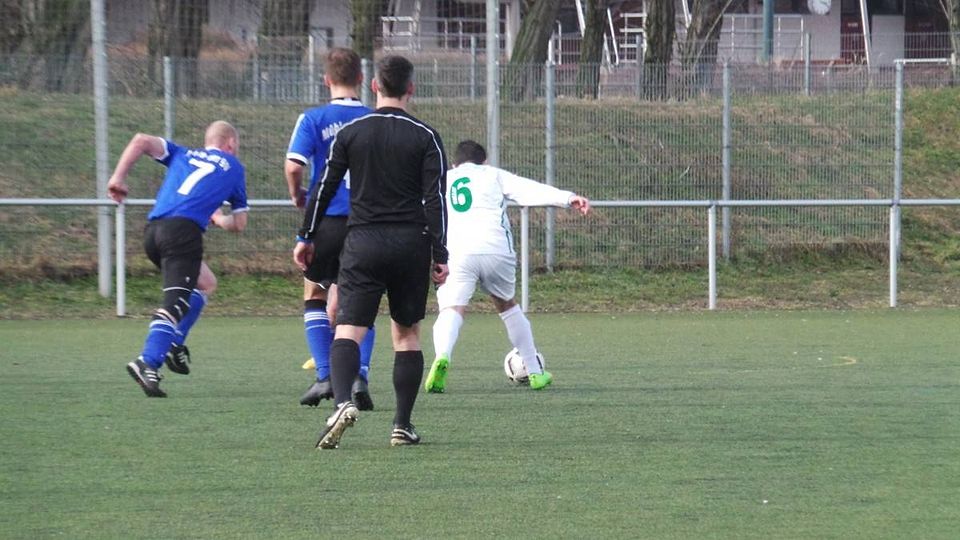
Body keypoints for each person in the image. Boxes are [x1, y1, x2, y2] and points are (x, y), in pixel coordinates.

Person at [293, 55, 448, 449]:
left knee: (347, 329)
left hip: (362, 242)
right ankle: (401, 425)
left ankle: (342, 403)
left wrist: (306, 236)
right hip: (410, 244)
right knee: (406, 335)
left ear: (375, 86)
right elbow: (435, 199)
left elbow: (324, 186)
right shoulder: (426, 136)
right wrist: (440, 253)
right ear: (411, 89)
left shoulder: (352, 132)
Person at [425, 140, 590, 393]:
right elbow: (528, 189)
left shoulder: (443, 179)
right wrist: (567, 198)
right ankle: (535, 372)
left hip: (457, 251)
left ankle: (442, 356)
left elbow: (423, 207)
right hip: (496, 248)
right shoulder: (493, 175)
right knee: (508, 306)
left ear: (454, 164)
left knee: (451, 309)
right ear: (484, 161)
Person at [107, 121, 248, 398]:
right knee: (175, 304)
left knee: (206, 283)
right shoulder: (234, 167)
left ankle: (174, 342)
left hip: (154, 231)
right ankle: (148, 361)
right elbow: (239, 224)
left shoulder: (182, 153)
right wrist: (219, 218)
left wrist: (118, 178)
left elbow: (140, 139)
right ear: (231, 143)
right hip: (183, 234)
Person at [285, 47, 375, 411]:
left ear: (326, 80)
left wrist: (298, 195)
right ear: (360, 79)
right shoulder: (374, 118)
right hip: (367, 222)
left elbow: (294, 165)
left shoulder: (313, 118)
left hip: (327, 222)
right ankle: (360, 374)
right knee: (362, 298)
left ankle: (325, 375)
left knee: (315, 295)